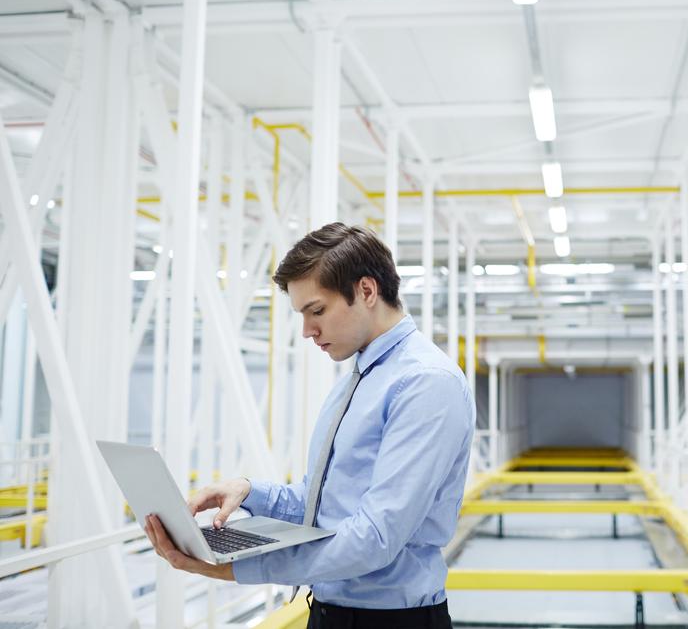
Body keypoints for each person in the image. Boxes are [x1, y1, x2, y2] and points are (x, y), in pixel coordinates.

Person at [144, 222, 475, 629]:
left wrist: (235, 570)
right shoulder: (357, 379)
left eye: (316, 311)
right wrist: (249, 491)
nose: (307, 331)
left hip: (392, 621)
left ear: (367, 291)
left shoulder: (425, 383)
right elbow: (324, 504)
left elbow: (375, 538)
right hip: (328, 612)